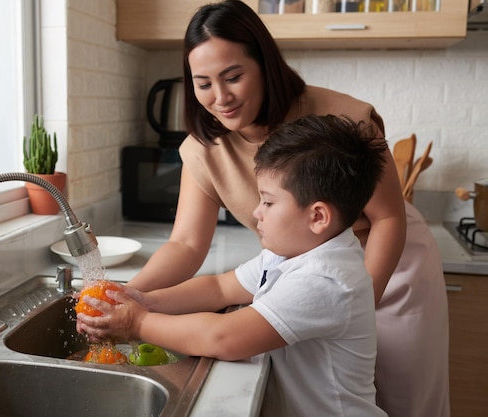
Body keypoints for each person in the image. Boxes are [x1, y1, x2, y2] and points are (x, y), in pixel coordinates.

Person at [128, 1, 450, 416]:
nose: (220, 97)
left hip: (391, 269)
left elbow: (388, 217)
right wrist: (131, 293)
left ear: (265, 64)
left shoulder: (343, 118)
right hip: (311, 279)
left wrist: (358, 305)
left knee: (409, 403)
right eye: (203, 83)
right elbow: (187, 244)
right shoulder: (204, 148)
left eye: (233, 77)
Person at [78, 114, 389, 417]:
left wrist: (138, 323)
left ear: (318, 217)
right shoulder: (292, 252)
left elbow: (223, 338)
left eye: (268, 201)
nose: (256, 212)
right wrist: (145, 300)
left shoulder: (325, 279)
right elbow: (220, 288)